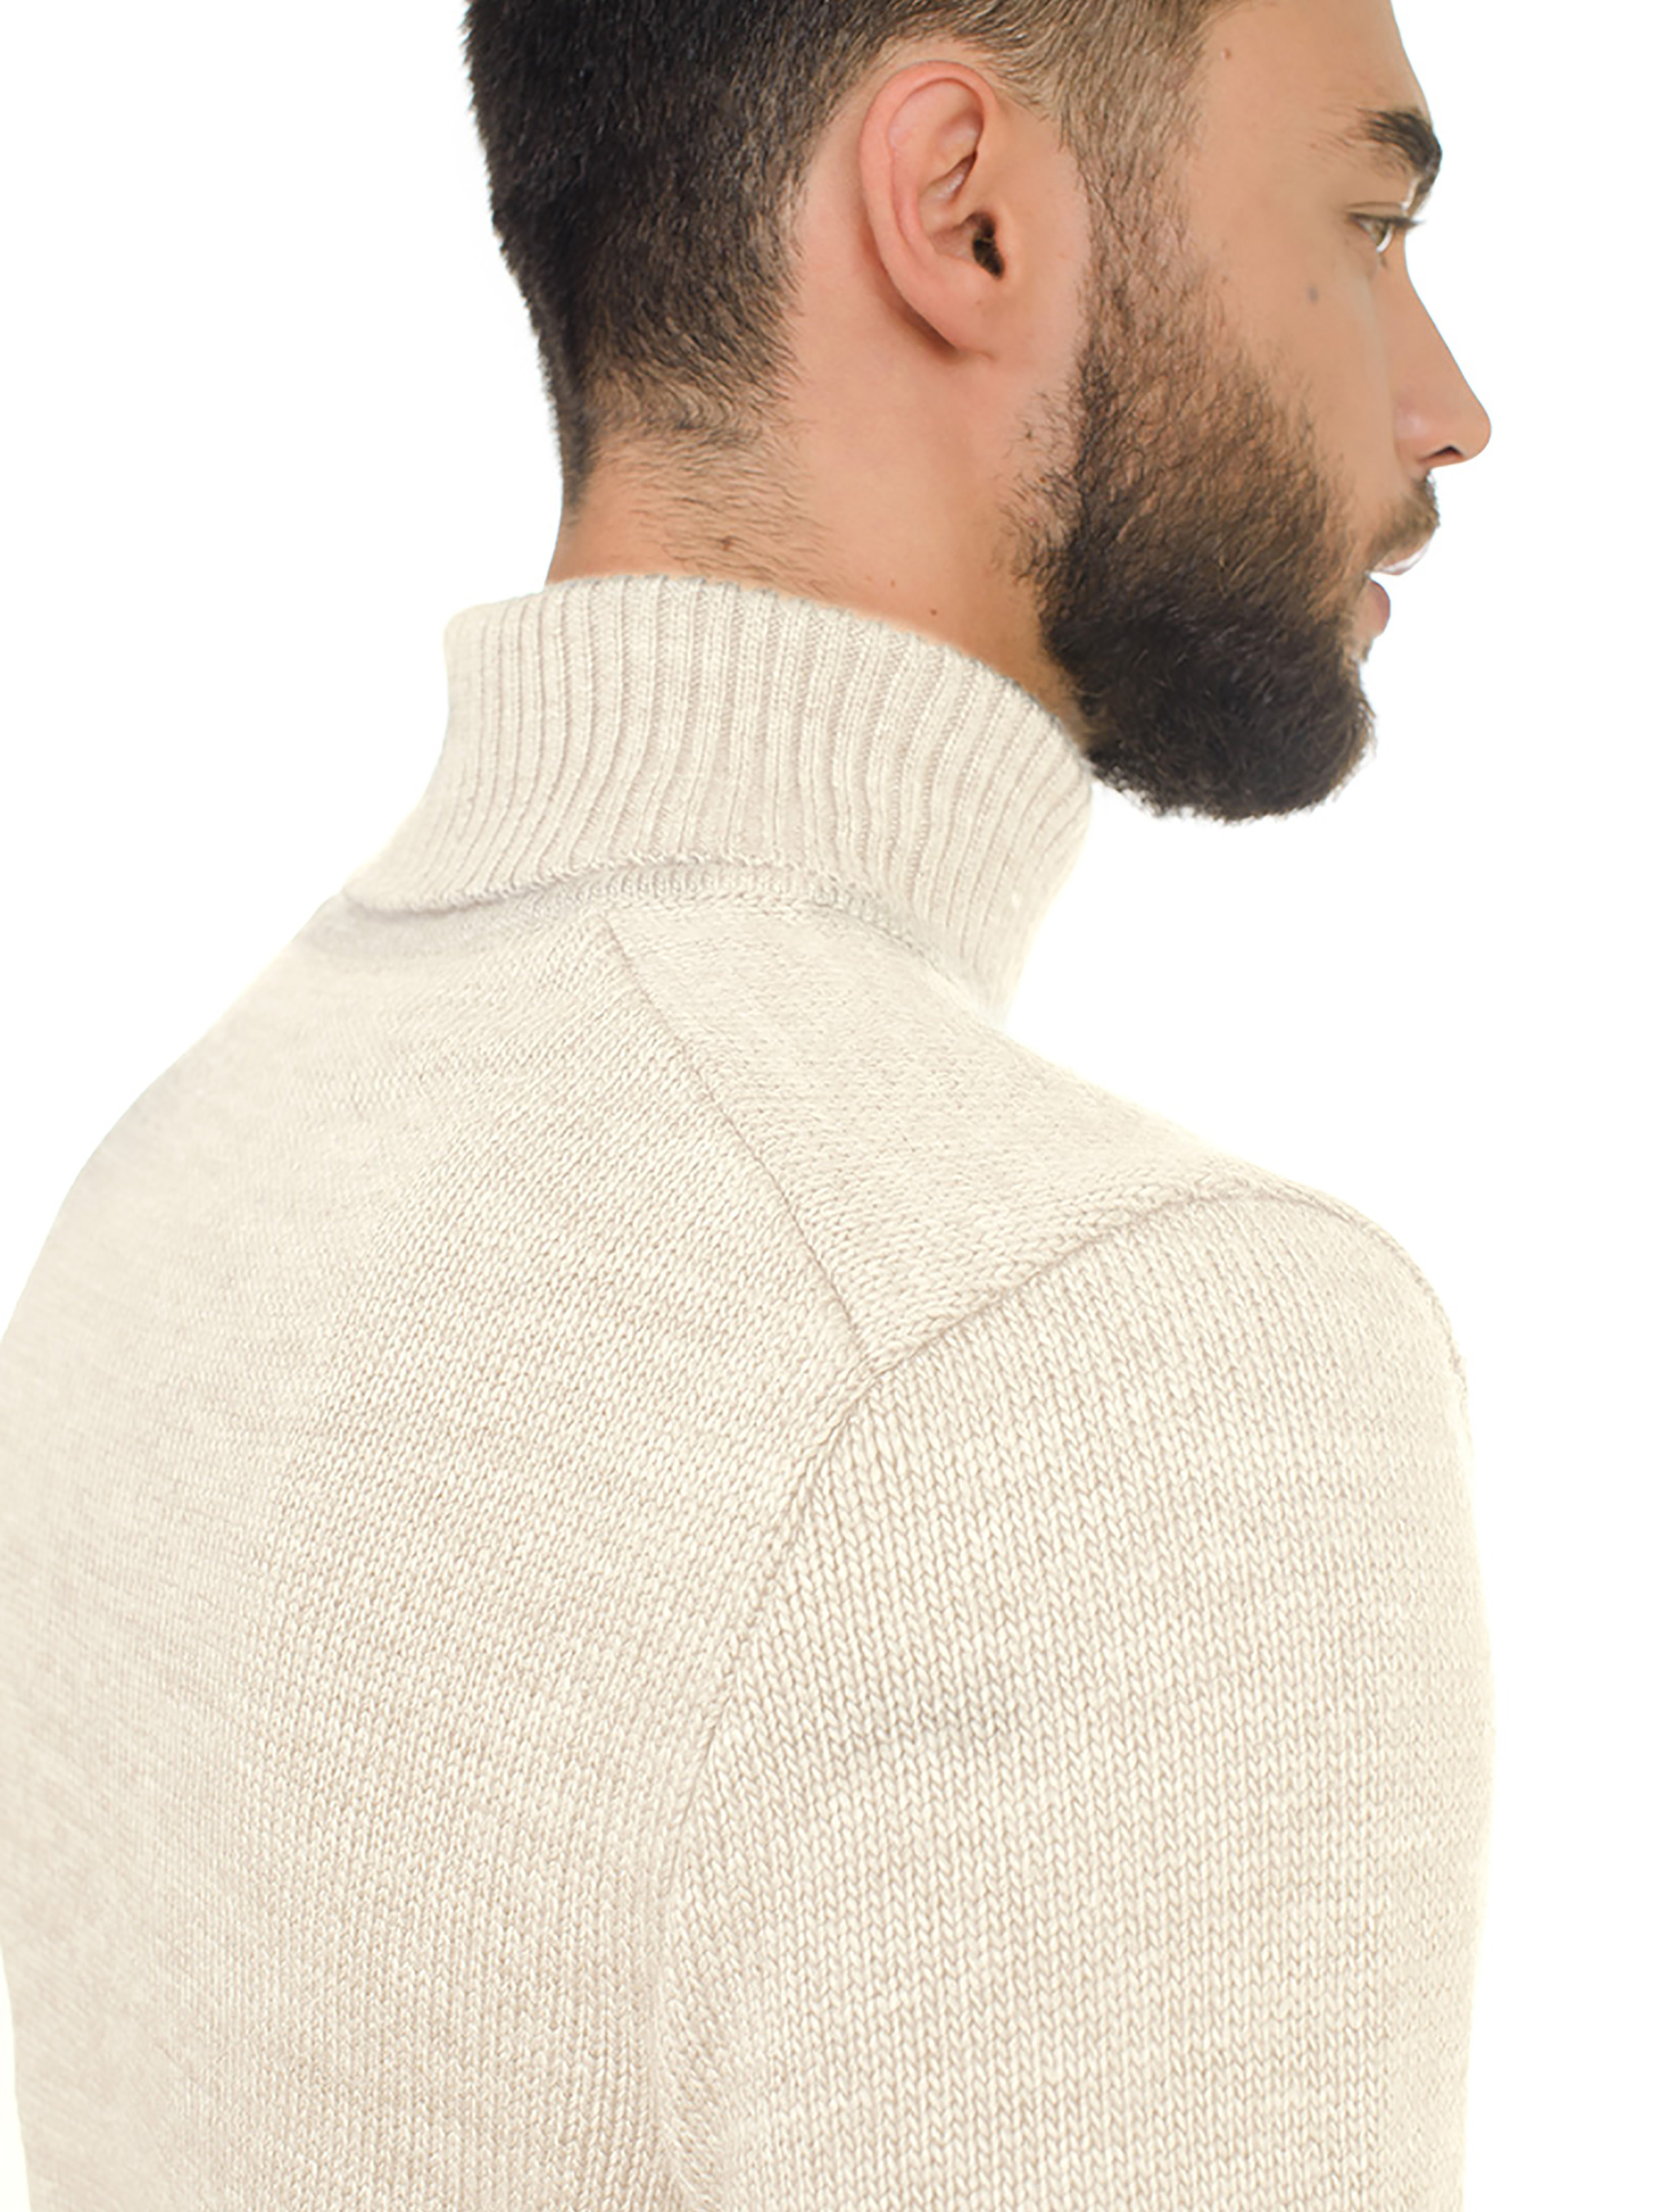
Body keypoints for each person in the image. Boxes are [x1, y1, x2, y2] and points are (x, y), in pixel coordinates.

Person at [0, 0, 1497, 2204]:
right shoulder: (1121, 1359)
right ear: (964, 216)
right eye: (1367, 224)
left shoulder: (171, 1186)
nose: (1448, 405)